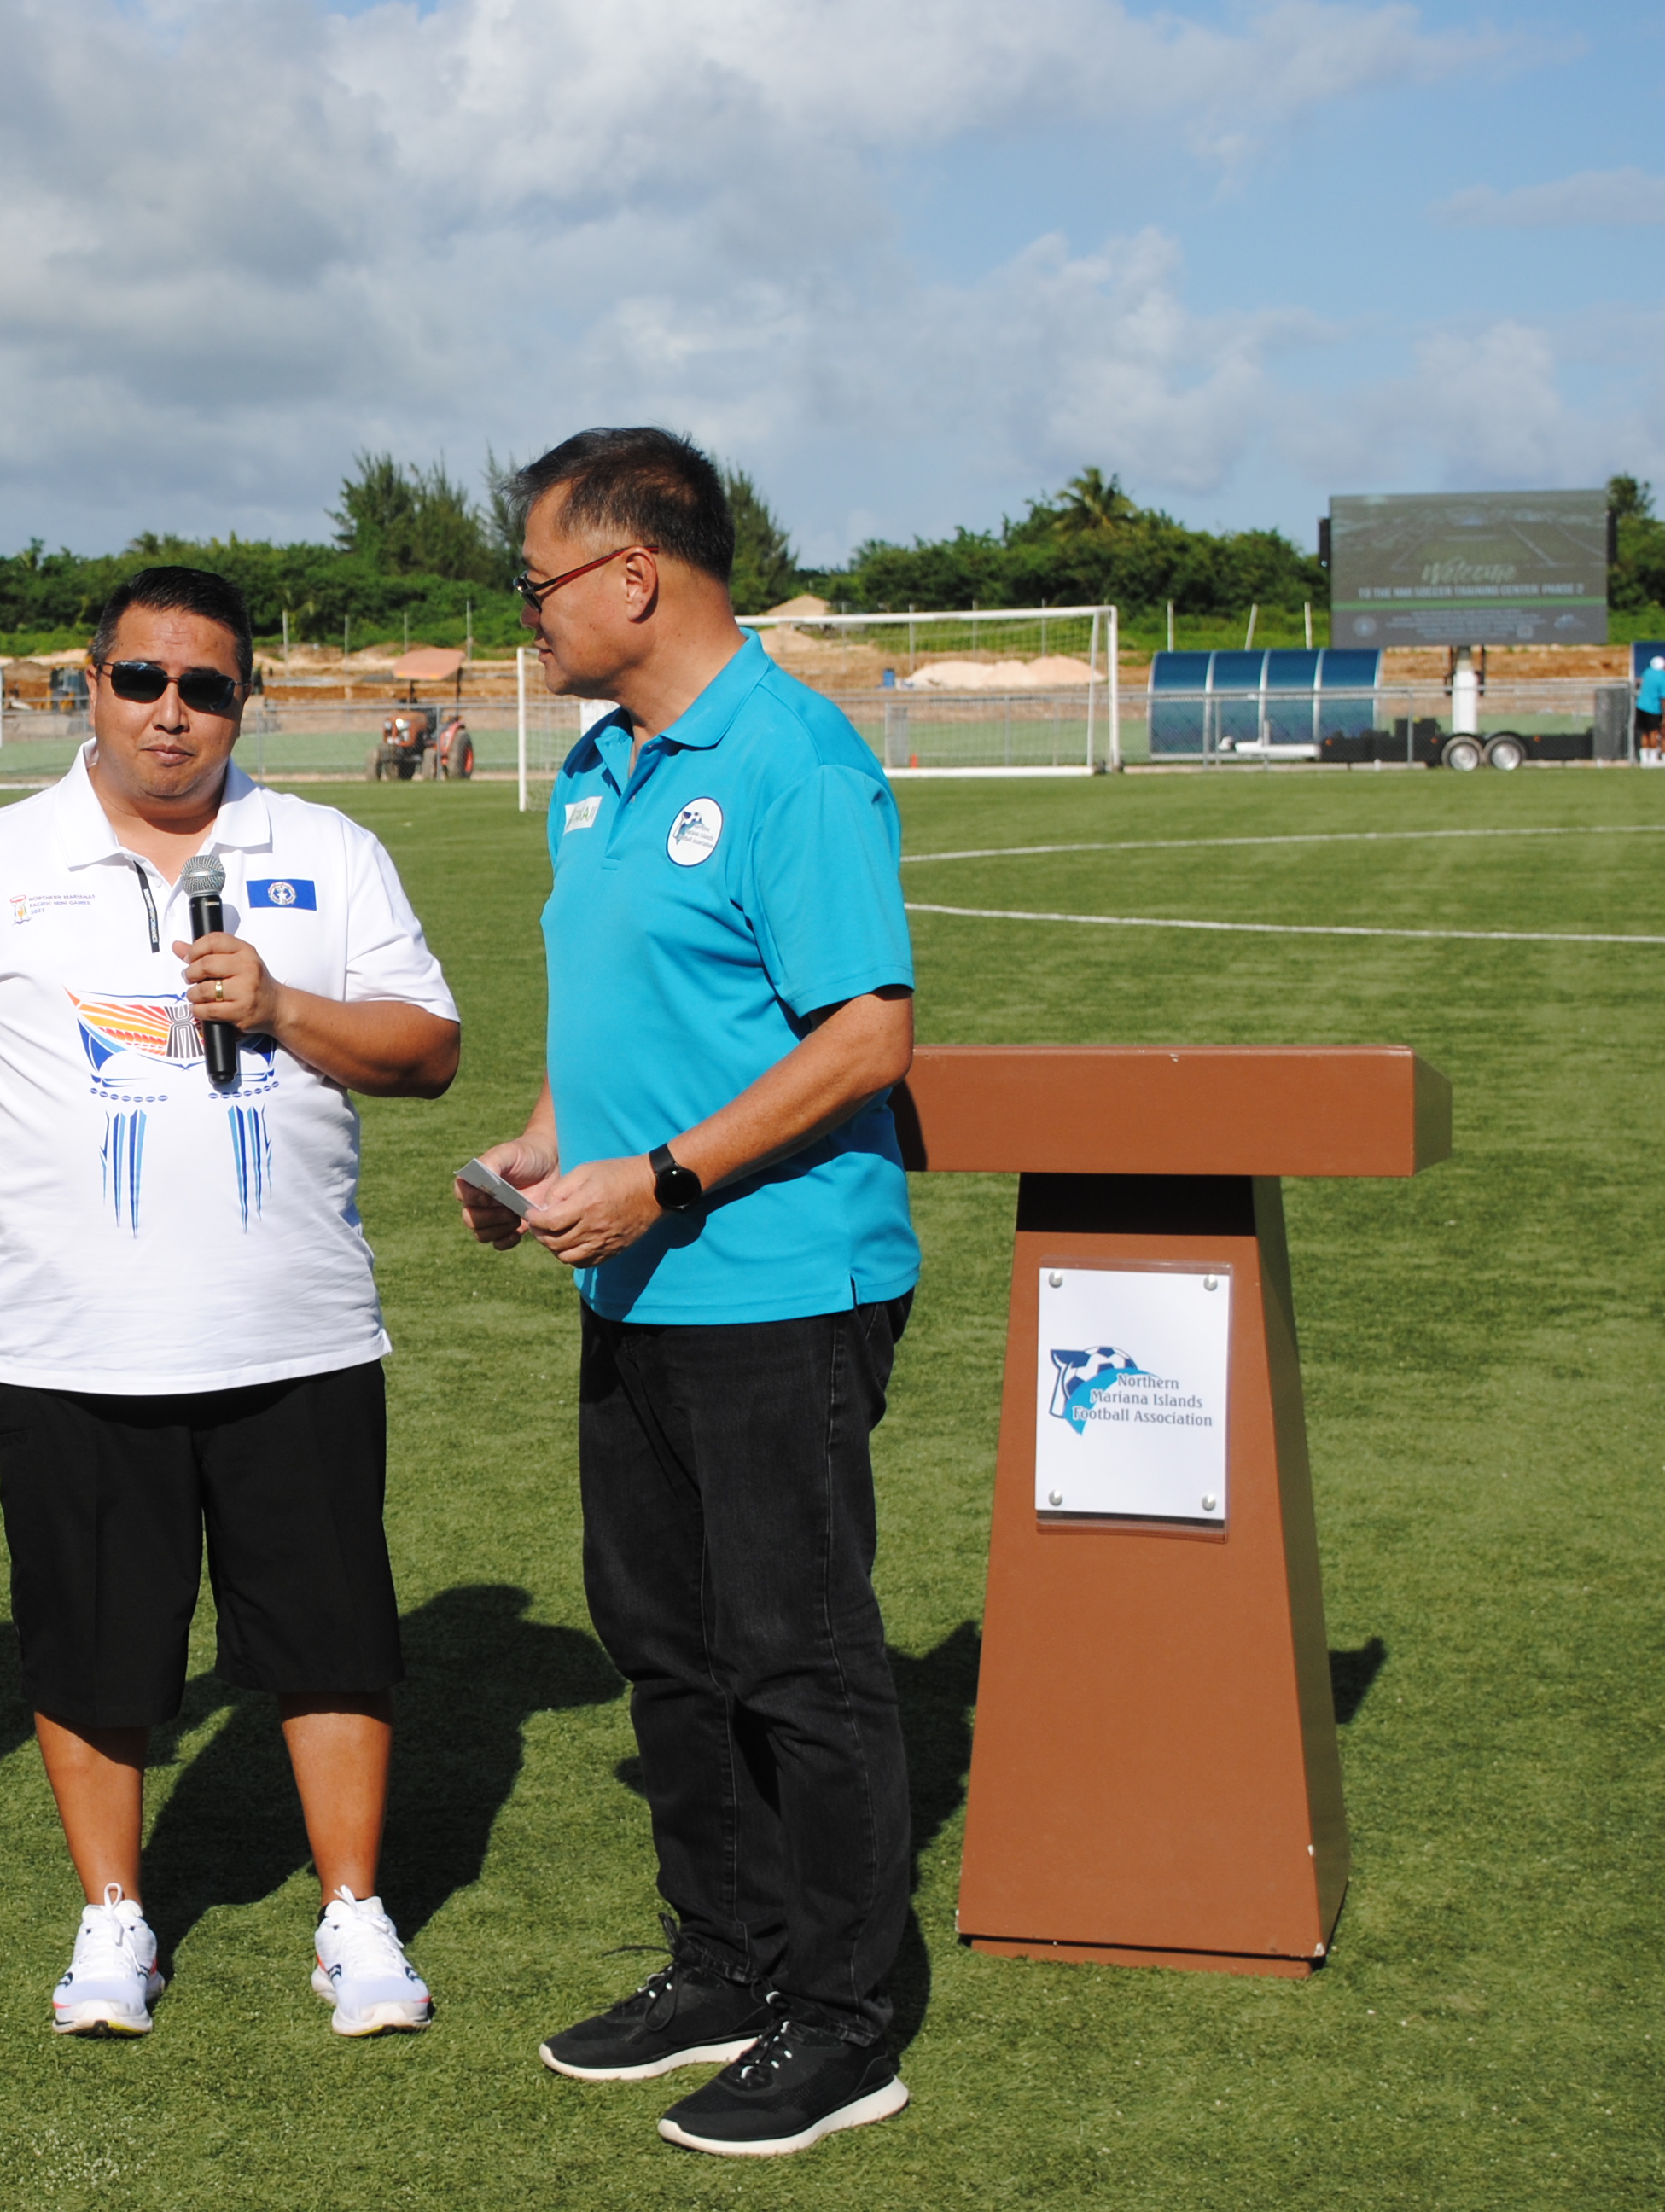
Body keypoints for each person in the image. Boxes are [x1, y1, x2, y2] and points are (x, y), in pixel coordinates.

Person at [0, 566, 463, 2041]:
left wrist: (278, 1009)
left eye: (205, 687)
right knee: (93, 1644)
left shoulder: (323, 849)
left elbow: (426, 1049)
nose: (171, 713)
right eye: (142, 679)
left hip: (298, 1332)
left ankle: (350, 1913)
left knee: (331, 1638)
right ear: (91, 683)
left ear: (242, 701)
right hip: (68, 1341)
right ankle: (115, 1919)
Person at [459, 428, 921, 2158]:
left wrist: (662, 1180)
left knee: (797, 1660)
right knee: (664, 1651)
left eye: (536, 580)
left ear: (631, 574)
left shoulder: (795, 758)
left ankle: (842, 2017)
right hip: (630, 1290)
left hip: (779, 1283)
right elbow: (620, 1032)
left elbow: (865, 1032)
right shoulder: (595, 772)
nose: (527, 617)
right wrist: (534, 1153)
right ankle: (721, 1964)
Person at [1636, 655, 1665, 765]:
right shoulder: (1660, 677)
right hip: (1656, 709)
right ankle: (1653, 758)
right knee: (1655, 732)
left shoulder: (1651, 673)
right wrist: (1664, 715)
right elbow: (1664, 697)